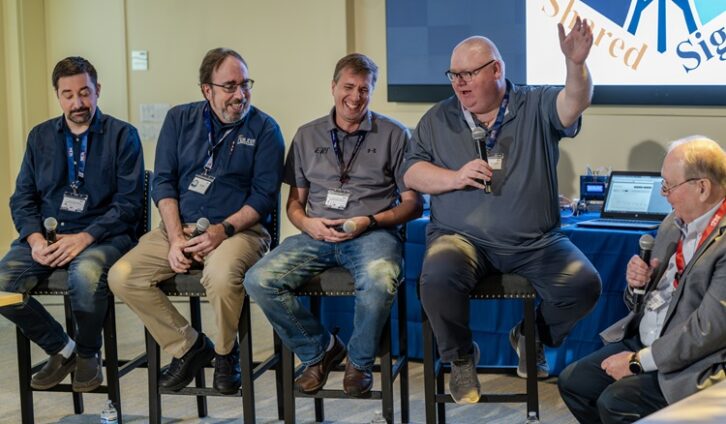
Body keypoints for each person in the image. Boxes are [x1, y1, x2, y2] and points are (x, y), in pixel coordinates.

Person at [402, 17, 602, 404]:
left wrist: (575, 64)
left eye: (469, 74)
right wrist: (455, 177)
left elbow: (574, 102)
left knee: (584, 285)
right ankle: (461, 360)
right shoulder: (437, 118)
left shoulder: (535, 103)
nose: (459, 83)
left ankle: (532, 336)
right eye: (454, 75)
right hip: (460, 239)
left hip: (535, 242)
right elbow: (412, 171)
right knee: (436, 277)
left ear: (496, 69)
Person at [245, 53, 422, 398]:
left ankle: (358, 362)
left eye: (364, 89)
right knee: (258, 280)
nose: (355, 97)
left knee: (380, 278)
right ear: (333, 87)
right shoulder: (307, 136)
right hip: (317, 234)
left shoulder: (394, 135)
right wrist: (307, 224)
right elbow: (294, 204)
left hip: (373, 232)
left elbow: (414, 204)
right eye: (348, 87)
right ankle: (321, 350)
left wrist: (368, 220)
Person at [108, 48, 284, 394]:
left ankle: (224, 353)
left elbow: (263, 198)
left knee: (219, 276)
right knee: (122, 276)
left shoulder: (265, 128)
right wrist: (174, 238)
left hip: (239, 231)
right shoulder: (179, 120)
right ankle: (188, 346)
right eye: (230, 86)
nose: (240, 94)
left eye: (245, 84)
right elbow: (163, 183)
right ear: (207, 90)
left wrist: (222, 231)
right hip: (180, 228)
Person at [0, 56, 145, 392]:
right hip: (47, 238)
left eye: (85, 92)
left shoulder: (123, 136)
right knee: (2, 284)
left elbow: (129, 204)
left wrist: (83, 238)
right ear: (58, 95)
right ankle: (63, 349)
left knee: (86, 274)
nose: (77, 103)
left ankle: (89, 354)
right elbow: (21, 198)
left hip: (103, 236)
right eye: (68, 94)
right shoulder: (40, 137)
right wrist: (35, 239)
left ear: (98, 91)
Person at [558, 137, 726, 423]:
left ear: (702, 187)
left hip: (695, 360)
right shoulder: (672, 224)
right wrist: (638, 285)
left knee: (616, 402)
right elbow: (644, 302)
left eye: (669, 186)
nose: (663, 194)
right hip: (646, 339)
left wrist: (638, 362)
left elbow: (707, 331)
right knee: (575, 382)